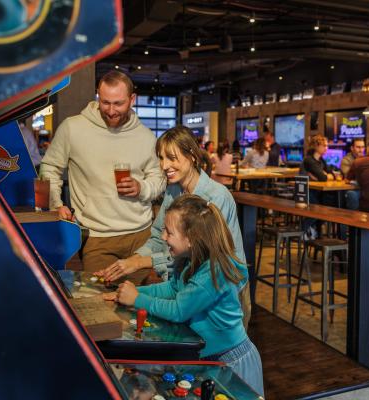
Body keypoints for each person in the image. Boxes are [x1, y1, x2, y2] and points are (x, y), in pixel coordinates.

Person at [105, 194, 264, 396]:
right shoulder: (192, 260)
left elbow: (179, 309)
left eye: (169, 232)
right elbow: (172, 289)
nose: (163, 237)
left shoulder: (213, 271)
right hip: (210, 357)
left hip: (230, 362)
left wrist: (136, 298)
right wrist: (127, 292)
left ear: (191, 239)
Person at [95, 125, 250, 325]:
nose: (164, 165)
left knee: (222, 353)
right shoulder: (173, 189)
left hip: (224, 293)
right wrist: (129, 262)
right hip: (188, 286)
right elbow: (159, 234)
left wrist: (138, 264)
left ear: (192, 156)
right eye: (161, 158)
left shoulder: (215, 197)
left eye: (171, 158)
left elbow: (197, 253)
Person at [39, 71, 166, 278]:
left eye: (118, 103)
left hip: (142, 237)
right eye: (105, 102)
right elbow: (50, 168)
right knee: (101, 304)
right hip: (96, 239)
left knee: (143, 304)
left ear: (132, 99)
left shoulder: (145, 136)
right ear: (98, 95)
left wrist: (142, 188)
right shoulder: (73, 128)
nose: (111, 110)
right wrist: (56, 203)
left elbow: (158, 178)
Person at [299, 134, 336, 239]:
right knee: (318, 212)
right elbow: (323, 177)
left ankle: (315, 236)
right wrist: (324, 175)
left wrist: (325, 175)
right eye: (324, 145)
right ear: (316, 146)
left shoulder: (321, 160)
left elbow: (331, 174)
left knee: (328, 207)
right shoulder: (309, 160)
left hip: (317, 192)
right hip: (306, 192)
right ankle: (303, 235)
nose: (326, 148)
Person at [340, 138, 366, 210]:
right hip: (352, 189)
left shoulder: (366, 159)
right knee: (352, 195)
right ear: (352, 148)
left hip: (364, 189)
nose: (361, 150)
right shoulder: (346, 160)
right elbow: (349, 177)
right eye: (358, 147)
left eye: (363, 147)